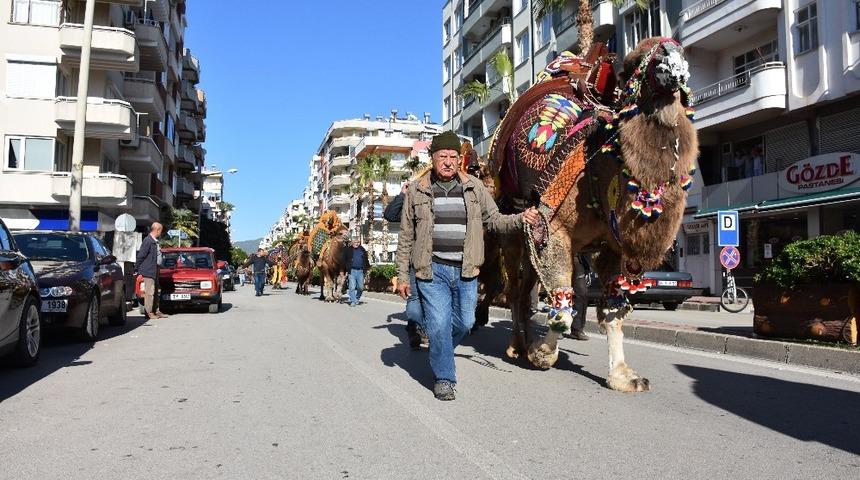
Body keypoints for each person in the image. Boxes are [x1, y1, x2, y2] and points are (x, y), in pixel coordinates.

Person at [396, 130, 540, 401]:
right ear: (433, 158)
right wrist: (402, 275)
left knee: (466, 323)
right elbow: (406, 236)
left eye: (453, 157)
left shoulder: (473, 187)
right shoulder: (417, 189)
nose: (448, 162)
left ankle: (440, 350)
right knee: (438, 326)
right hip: (432, 270)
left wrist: (521, 218)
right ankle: (444, 378)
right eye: (442, 156)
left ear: (459, 159)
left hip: (466, 271)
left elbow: (495, 220)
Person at [384, 181, 426, 349]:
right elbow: (390, 215)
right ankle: (415, 329)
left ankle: (419, 327)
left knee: (429, 299)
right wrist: (402, 194)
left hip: (435, 258)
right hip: (413, 258)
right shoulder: (410, 204)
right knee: (415, 297)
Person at [136, 222, 167, 320]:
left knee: (157, 291)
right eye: (160, 231)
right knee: (150, 292)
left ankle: (156, 310)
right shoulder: (148, 241)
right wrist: (136, 268)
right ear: (157, 230)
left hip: (155, 269)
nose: (160, 233)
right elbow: (141, 255)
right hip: (149, 270)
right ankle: (149, 312)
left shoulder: (155, 241)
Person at [343, 237, 370, 307]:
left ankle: (357, 298)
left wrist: (367, 268)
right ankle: (353, 301)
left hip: (360, 271)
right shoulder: (348, 250)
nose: (356, 244)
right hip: (352, 271)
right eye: (355, 242)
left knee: (360, 287)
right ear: (352, 243)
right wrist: (344, 270)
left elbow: (366, 260)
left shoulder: (362, 249)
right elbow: (344, 261)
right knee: (352, 287)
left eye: (358, 242)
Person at [569, 254, 590, 341]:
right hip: (561, 255)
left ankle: (577, 329)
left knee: (582, 292)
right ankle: (556, 328)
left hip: (577, 256)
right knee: (559, 291)